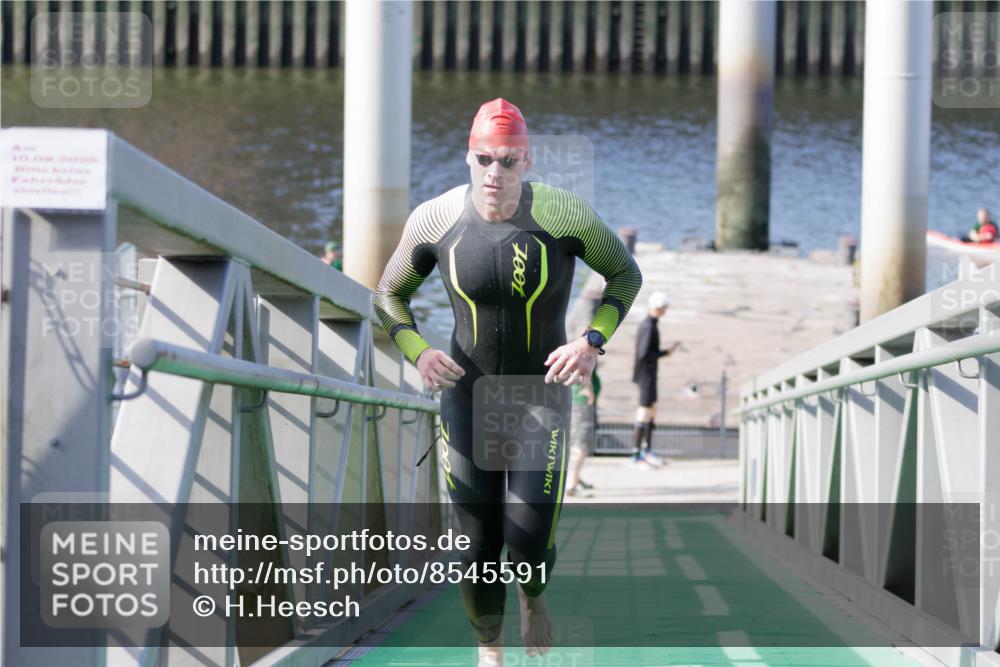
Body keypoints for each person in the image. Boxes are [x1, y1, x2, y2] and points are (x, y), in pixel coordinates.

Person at [374, 98, 641, 666]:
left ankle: (533, 597)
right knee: (476, 545)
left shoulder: (563, 215)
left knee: (524, 537)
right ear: (468, 157)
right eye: (484, 159)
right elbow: (388, 294)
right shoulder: (434, 219)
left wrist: (590, 342)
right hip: (466, 397)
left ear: (528, 161)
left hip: (538, 399)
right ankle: (489, 652)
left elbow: (624, 275)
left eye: (509, 162)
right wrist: (418, 352)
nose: (495, 174)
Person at [631, 292, 679, 468]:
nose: (665, 310)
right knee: (643, 412)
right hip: (646, 376)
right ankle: (636, 455)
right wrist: (665, 353)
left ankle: (646, 451)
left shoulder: (651, 324)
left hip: (648, 375)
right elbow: (644, 354)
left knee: (651, 411)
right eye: (664, 307)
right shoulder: (648, 326)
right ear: (658, 308)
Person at [566, 365, 600, 497]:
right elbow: (580, 368)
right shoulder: (587, 347)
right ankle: (572, 485)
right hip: (582, 402)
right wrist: (587, 388)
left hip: (583, 402)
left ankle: (576, 478)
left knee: (581, 443)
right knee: (581, 444)